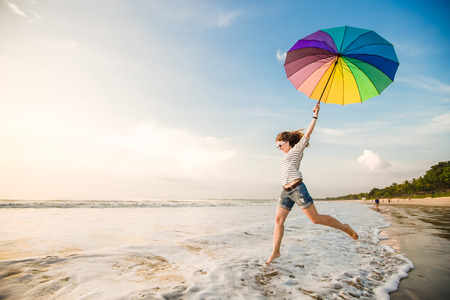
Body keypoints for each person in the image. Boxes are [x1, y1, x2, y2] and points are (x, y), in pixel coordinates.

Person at [266, 102, 359, 265]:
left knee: (315, 219)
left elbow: (307, 134)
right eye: (276, 146)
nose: (278, 148)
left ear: (287, 142)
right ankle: (276, 252)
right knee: (278, 221)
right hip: (285, 191)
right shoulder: (284, 156)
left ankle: (345, 227)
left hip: (297, 189)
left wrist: (315, 115)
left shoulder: (296, 150)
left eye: (280, 145)